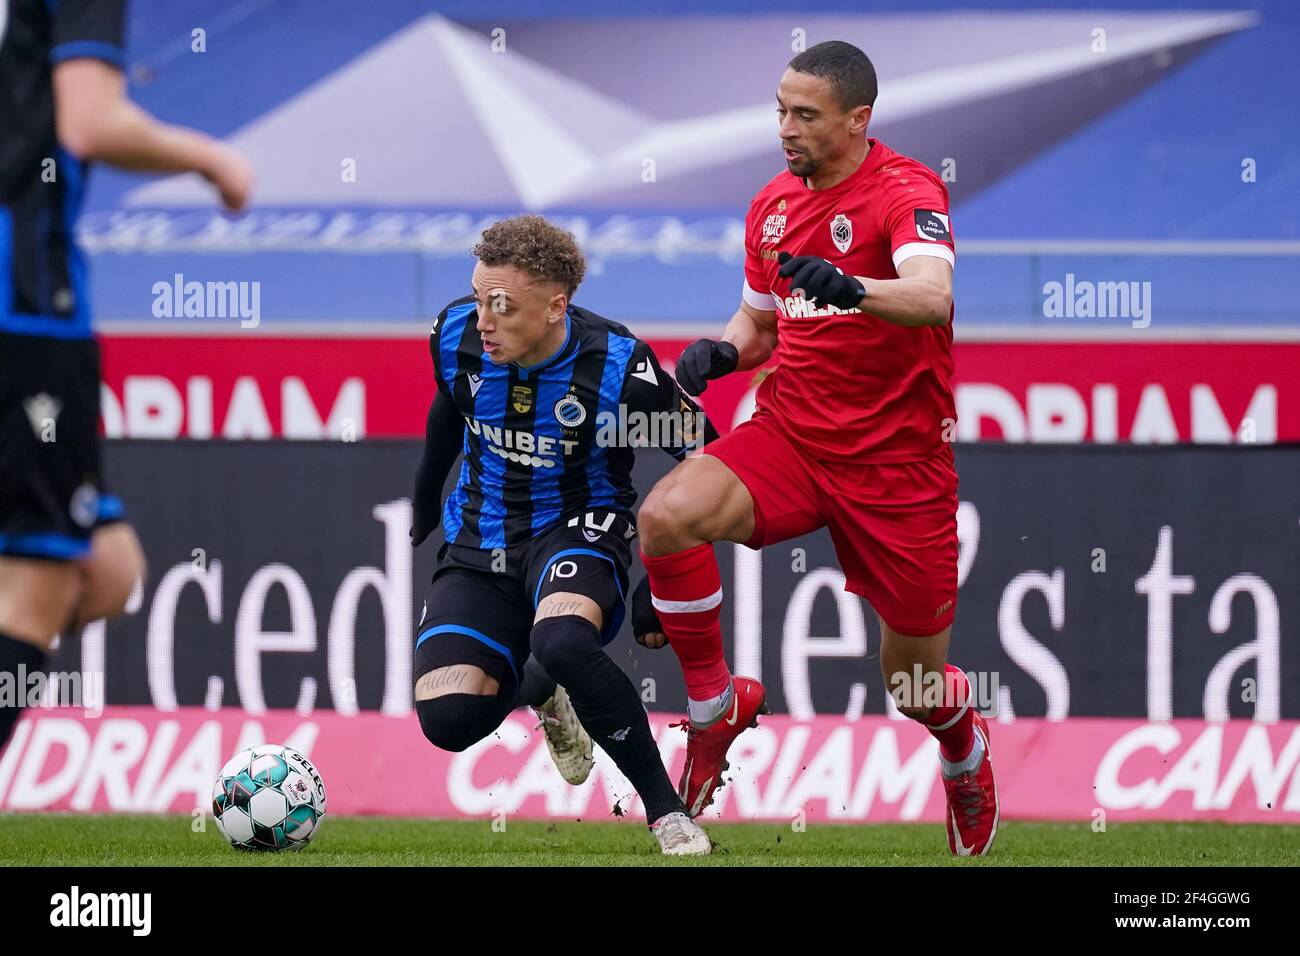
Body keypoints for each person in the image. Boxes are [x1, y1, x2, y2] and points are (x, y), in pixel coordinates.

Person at [631, 41, 999, 854]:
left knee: (912, 685)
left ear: (857, 119)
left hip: (900, 467)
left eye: (805, 115)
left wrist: (856, 287)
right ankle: (712, 710)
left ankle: (962, 743)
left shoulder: (906, 189)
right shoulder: (770, 205)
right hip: (794, 435)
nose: (785, 129)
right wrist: (723, 353)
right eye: (779, 111)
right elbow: (761, 322)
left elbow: (933, 297)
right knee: (665, 517)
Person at [409, 215, 718, 855]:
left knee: (564, 639)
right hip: (479, 539)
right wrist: (424, 497)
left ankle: (669, 815)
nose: (484, 320)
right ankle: (543, 690)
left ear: (557, 306)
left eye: (502, 305)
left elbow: (709, 466)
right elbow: (451, 403)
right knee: (448, 718)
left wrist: (659, 579)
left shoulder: (620, 367)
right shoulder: (455, 335)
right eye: (477, 298)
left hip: (579, 528)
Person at [0, 0, 253, 748]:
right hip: (24, 315)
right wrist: (212, 158)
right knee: (36, 589)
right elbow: (90, 121)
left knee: (107, 570)